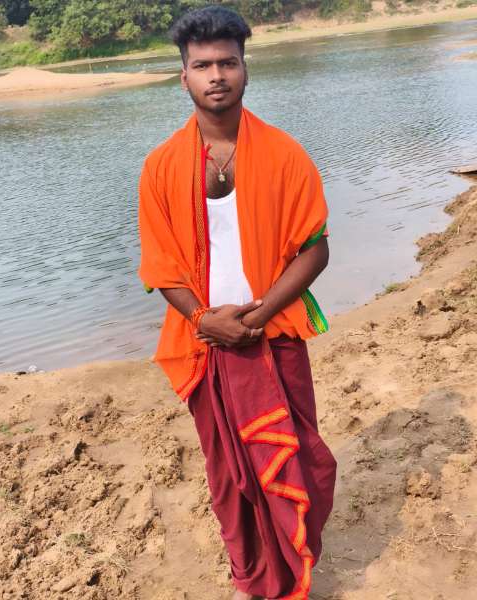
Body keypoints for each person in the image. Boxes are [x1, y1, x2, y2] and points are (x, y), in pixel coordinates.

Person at [137, 6, 337, 599]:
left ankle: (295, 570)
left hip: (274, 333)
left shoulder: (284, 154)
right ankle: (254, 579)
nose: (217, 75)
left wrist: (258, 315)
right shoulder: (161, 167)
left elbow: (315, 248)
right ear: (184, 77)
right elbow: (160, 266)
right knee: (230, 475)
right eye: (203, 66)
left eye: (228, 63)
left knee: (303, 460)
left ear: (246, 69)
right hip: (204, 343)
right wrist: (205, 319)